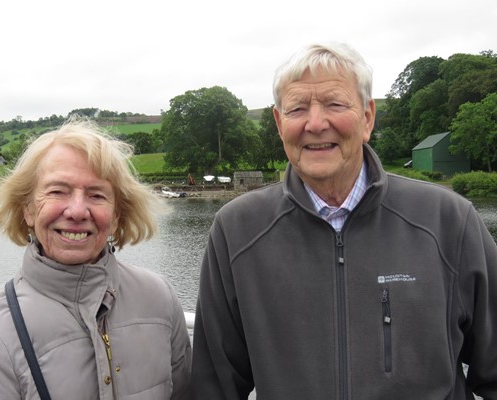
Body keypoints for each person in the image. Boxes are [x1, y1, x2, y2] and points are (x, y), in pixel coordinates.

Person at [190, 42, 497, 399]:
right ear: (278, 123)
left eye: (335, 104)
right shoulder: (237, 231)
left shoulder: (448, 221)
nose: (316, 123)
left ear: (367, 117)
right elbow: (214, 389)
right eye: (298, 108)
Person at [0, 118, 191, 399]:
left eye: (96, 195)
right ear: (28, 210)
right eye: (57, 191)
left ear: (117, 215)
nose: (76, 211)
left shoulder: (158, 298)